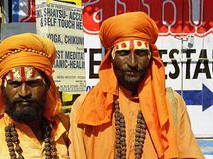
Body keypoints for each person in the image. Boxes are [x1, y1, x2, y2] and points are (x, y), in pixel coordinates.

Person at [69, 12, 204, 159]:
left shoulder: (172, 103)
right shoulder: (84, 106)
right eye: (124, 52)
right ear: (111, 58)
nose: (132, 62)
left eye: (140, 52)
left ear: (151, 57)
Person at [0, 33, 70, 159]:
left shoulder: (65, 129)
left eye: (33, 82)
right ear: (2, 88)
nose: (24, 93)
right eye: (15, 83)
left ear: (47, 86)